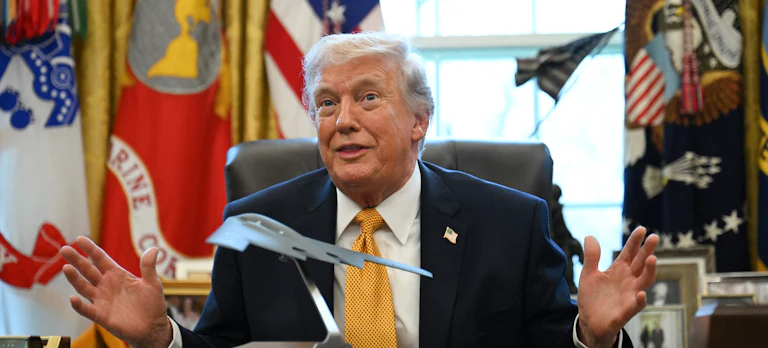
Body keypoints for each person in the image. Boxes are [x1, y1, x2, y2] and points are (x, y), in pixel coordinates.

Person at [61, 32, 658, 348]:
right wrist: (163, 338)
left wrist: (593, 337)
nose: (342, 119)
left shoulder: (510, 222)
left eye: (368, 97)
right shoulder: (257, 224)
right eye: (327, 102)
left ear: (420, 121)